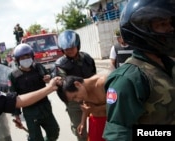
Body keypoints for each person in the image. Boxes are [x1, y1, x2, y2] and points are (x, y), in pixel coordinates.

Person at [103, 0, 175, 140]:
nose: (170, 29)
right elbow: (119, 135)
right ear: (142, 29)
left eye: (170, 23)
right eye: (162, 24)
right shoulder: (129, 79)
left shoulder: (168, 65)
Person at [52, 29, 97, 141]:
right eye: (67, 49)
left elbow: (94, 76)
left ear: (78, 45)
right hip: (74, 101)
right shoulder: (60, 64)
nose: (70, 50)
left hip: (91, 96)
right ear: (62, 50)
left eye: (72, 47)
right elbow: (63, 84)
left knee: (98, 124)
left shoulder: (87, 58)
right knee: (80, 130)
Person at [9, 43, 60, 141]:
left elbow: (49, 77)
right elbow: (13, 96)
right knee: (36, 139)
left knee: (54, 132)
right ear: (17, 60)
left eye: (27, 56)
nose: (25, 59)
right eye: (22, 57)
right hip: (30, 112)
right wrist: (17, 116)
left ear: (32, 56)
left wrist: (49, 78)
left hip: (45, 108)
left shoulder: (38, 67)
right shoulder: (14, 75)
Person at [61, 75, 107, 141]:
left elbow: (118, 105)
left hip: (112, 122)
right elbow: (86, 108)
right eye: (73, 99)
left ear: (77, 84)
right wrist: (82, 122)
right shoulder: (83, 91)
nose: (77, 100)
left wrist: (95, 109)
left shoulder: (102, 84)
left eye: (75, 96)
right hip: (96, 123)